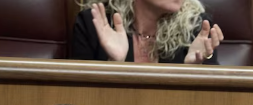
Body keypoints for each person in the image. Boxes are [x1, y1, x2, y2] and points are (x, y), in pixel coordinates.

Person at [72, 0, 224, 64]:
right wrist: (115, 65)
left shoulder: (198, 27)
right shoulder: (94, 24)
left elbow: (215, 102)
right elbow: (77, 102)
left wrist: (191, 72)